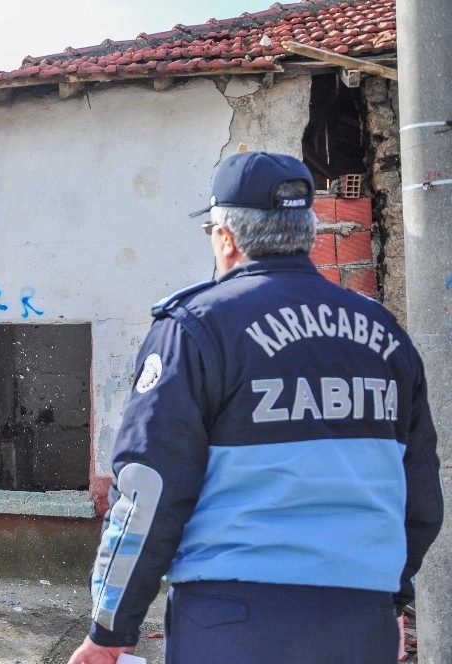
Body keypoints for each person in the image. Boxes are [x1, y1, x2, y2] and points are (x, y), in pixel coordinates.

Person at [67, 151, 444, 664]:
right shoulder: (386, 337)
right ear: (308, 234)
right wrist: (390, 600)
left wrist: (110, 629)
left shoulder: (196, 330)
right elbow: (420, 496)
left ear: (226, 238)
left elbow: (149, 490)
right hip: (360, 622)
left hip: (234, 620)